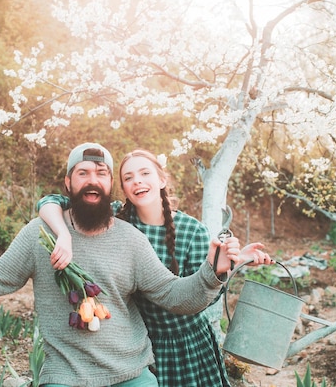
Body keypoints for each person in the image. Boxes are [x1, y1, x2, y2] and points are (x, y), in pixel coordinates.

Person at [0, 143, 243, 387]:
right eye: (83, 173)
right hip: (66, 374)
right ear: (68, 183)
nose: (92, 181)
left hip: (131, 372)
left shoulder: (130, 238)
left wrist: (213, 272)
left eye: (101, 173)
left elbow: (175, 295)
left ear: (110, 184)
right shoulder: (39, 234)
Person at [37, 149, 273, 387]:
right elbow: (51, 201)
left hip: (188, 343)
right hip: (139, 345)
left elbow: (205, 298)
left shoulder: (192, 231)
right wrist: (63, 234)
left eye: (144, 173)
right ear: (124, 189)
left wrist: (233, 264)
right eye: (128, 177)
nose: (137, 180)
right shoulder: (116, 221)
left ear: (161, 180)